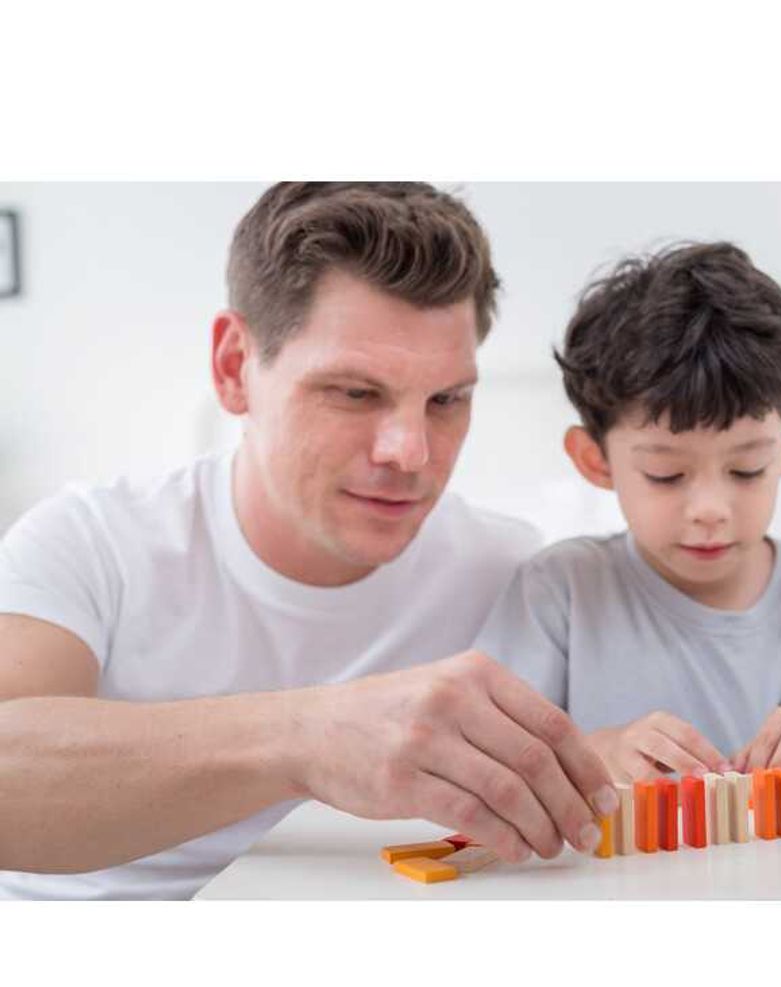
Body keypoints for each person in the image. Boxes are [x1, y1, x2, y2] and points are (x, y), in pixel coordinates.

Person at [0, 182, 617, 900]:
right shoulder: (93, 541)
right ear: (235, 367)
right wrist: (306, 737)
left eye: (446, 400)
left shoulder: (515, 575)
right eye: (355, 393)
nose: (410, 452)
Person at [475, 242, 781, 783]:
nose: (711, 510)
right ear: (595, 459)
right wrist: (602, 752)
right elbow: (493, 765)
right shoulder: (559, 593)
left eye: (746, 470)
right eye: (666, 476)